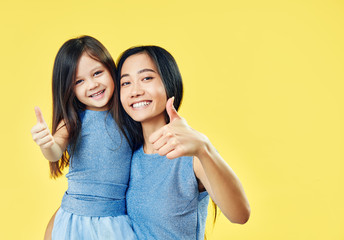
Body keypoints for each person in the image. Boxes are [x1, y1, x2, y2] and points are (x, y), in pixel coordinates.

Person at [116, 46, 251, 239]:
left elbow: (240, 214)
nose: (135, 91)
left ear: (169, 84)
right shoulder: (127, 157)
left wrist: (204, 148)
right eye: (126, 83)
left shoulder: (191, 154)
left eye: (146, 78)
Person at [31, 36, 136, 240]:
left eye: (97, 73)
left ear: (110, 70)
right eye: (79, 81)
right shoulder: (73, 121)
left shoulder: (129, 116)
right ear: (70, 90)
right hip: (75, 220)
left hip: (115, 218)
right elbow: (54, 152)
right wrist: (47, 144)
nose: (93, 84)